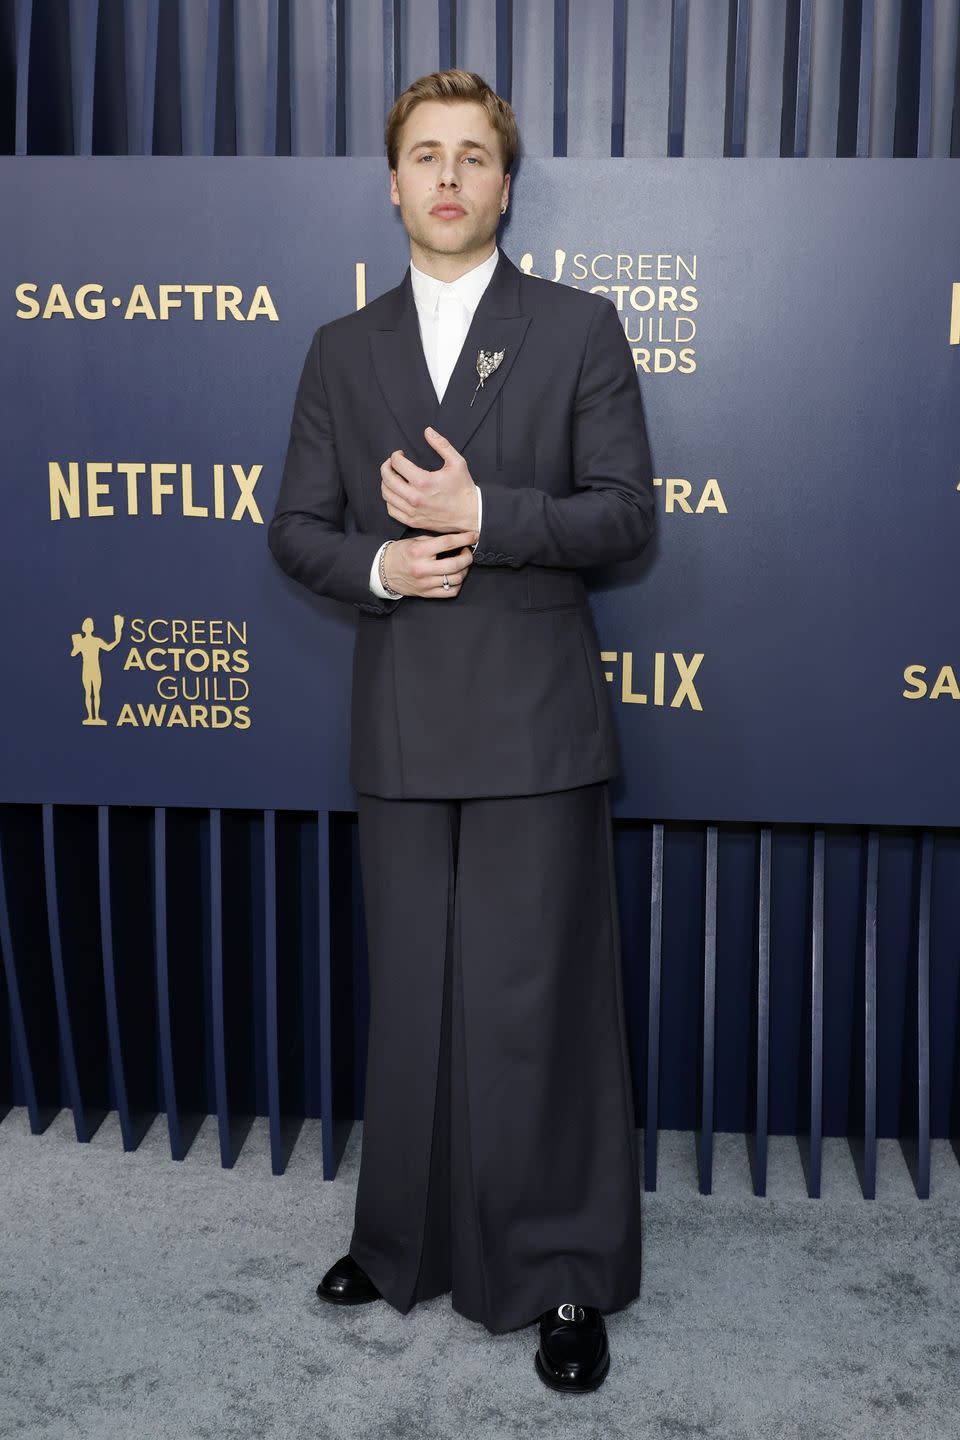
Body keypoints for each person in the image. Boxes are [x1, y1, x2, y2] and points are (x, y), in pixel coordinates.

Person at [268, 69, 654, 1394]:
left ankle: (559, 1274)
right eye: (423, 155)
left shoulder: (581, 328)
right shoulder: (340, 347)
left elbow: (624, 519)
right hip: (401, 723)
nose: (446, 176)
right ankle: (399, 1245)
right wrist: (383, 569)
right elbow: (298, 530)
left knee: (532, 1005)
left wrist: (489, 517)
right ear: (392, 185)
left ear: (504, 183)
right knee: (417, 1000)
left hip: (537, 729)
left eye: (472, 156)